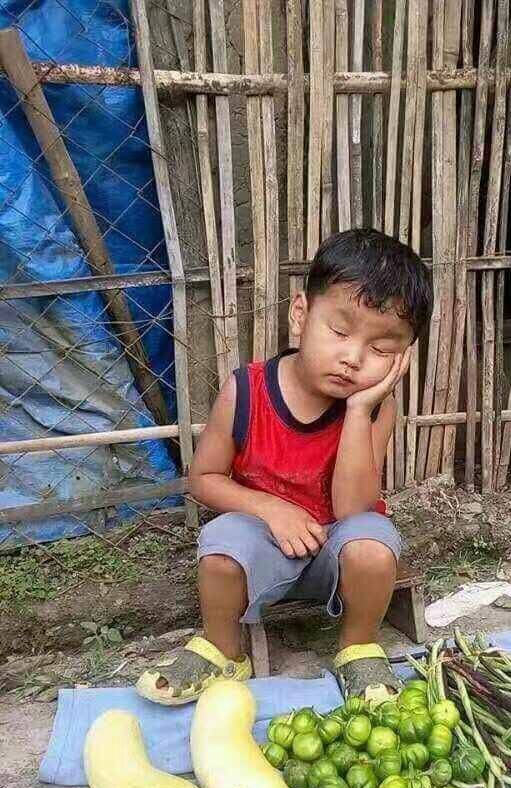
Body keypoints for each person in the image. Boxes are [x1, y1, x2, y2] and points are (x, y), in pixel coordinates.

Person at [137, 228, 432, 706]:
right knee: (221, 542)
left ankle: (358, 648)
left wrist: (360, 412)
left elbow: (353, 509)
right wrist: (271, 509)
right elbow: (202, 479)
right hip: (266, 549)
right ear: (300, 315)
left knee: (374, 543)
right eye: (340, 332)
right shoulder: (246, 390)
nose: (353, 358)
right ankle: (224, 651)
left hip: (338, 553)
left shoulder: (378, 407)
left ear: (402, 357)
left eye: (381, 349)